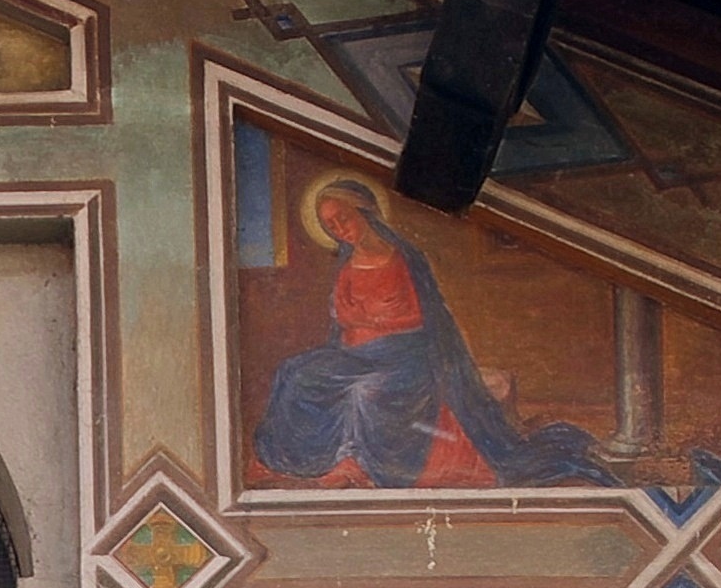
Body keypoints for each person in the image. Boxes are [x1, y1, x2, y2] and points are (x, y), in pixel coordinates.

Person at [254, 175, 608, 492]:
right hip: (356, 355)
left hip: (404, 355)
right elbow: (343, 316)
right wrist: (370, 317)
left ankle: (357, 463)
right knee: (295, 372)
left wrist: (373, 320)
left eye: (343, 218)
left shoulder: (402, 258)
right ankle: (304, 459)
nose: (339, 229)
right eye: (330, 225)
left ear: (366, 211)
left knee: (366, 393)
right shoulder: (347, 265)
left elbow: (419, 315)